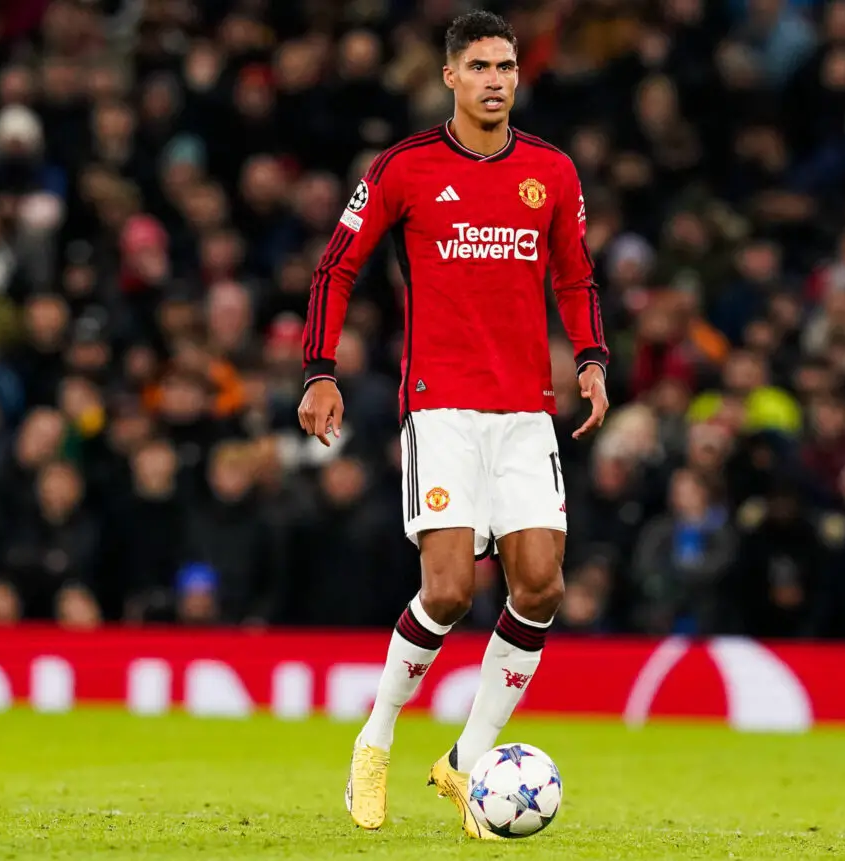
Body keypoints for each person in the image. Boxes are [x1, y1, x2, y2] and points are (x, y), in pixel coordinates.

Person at [296, 10, 609, 839]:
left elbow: (575, 276)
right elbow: (336, 266)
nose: (495, 80)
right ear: (450, 77)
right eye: (479, 67)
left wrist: (590, 357)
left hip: (525, 412)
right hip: (441, 408)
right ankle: (375, 739)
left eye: (505, 66)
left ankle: (466, 763)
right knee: (448, 590)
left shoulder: (551, 171)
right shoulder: (404, 168)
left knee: (540, 586)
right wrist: (320, 369)